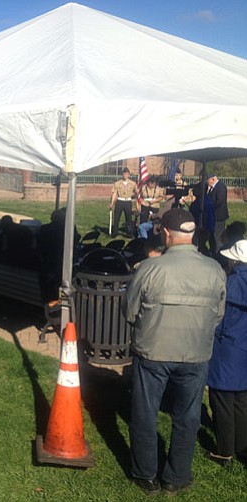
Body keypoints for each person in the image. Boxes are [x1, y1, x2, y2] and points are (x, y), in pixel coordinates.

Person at [125, 208, 226, 496]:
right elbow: (218, 314)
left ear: (166, 234)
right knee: (188, 416)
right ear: (192, 234)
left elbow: (130, 312)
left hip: (153, 351)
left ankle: (145, 475)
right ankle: (176, 476)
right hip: (195, 353)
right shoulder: (214, 269)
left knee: (145, 413)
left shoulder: (148, 269)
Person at [206, 239, 247, 466]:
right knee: (241, 400)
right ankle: (242, 445)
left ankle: (224, 451)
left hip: (227, 348)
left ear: (234, 260)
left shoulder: (231, 283)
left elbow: (218, 317)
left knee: (221, 400)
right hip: (244, 347)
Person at [109, 168, 138, 237]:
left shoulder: (133, 183)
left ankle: (129, 233)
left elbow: (136, 193)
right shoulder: (117, 183)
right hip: (119, 201)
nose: (125, 175)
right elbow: (114, 193)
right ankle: (115, 232)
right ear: (122, 174)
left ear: (129, 175)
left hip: (128, 201)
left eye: (126, 174)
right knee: (116, 218)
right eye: (124, 173)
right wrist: (112, 203)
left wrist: (136, 201)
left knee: (128, 218)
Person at [206, 173, 229, 252]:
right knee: (213, 235)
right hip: (214, 216)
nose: (207, 182)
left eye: (207, 180)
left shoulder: (220, 187)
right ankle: (213, 250)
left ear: (212, 179)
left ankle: (218, 252)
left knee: (218, 236)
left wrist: (210, 206)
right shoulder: (213, 187)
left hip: (219, 216)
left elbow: (219, 201)